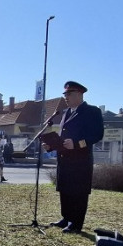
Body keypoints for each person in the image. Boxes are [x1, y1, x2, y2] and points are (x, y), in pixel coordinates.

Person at [42, 81, 104, 233]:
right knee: (65, 190)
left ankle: (76, 224)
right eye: (65, 94)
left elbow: (97, 135)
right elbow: (64, 138)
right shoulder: (66, 113)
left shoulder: (92, 111)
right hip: (65, 159)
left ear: (79, 94)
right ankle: (66, 218)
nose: (66, 97)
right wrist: (52, 145)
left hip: (80, 160)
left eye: (69, 94)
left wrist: (77, 144)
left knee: (78, 192)